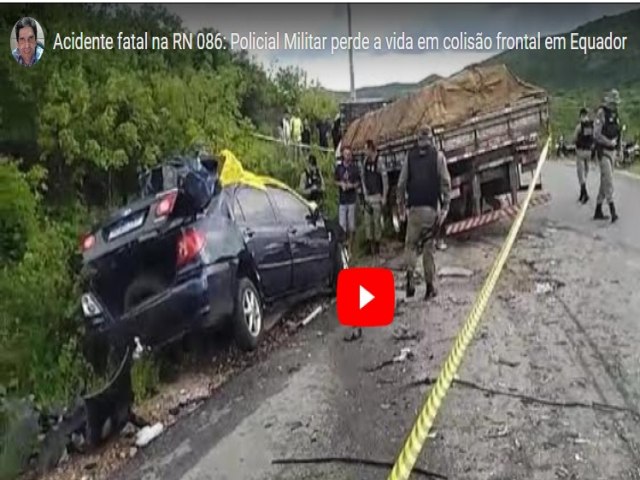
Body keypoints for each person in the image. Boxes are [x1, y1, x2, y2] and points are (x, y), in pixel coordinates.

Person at [397, 127, 451, 300]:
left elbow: (401, 184)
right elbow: (445, 183)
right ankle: (429, 288)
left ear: (417, 139)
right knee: (428, 248)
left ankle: (410, 277)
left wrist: (401, 206)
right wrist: (445, 208)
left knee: (411, 245)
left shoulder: (409, 157)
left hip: (414, 210)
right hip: (430, 209)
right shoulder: (438, 156)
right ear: (431, 138)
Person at [593, 89, 621, 222]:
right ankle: (612, 209)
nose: (615, 105)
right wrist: (609, 142)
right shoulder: (601, 113)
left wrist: (619, 149)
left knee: (604, 181)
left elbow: (618, 132)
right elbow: (596, 134)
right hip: (603, 151)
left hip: (613, 152)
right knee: (608, 180)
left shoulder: (615, 114)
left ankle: (598, 208)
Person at [360, 139, 388, 255]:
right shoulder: (365, 161)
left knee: (377, 222)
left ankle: (377, 244)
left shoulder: (379, 161)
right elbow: (363, 177)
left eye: (366, 149)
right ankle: (370, 243)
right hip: (369, 197)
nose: (364, 151)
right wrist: (365, 193)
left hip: (377, 196)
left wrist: (384, 195)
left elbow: (384, 179)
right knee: (368, 222)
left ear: (371, 149)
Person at [334, 145, 360, 256]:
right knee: (342, 226)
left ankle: (350, 248)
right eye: (345, 154)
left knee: (352, 226)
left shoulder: (354, 168)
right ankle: (343, 248)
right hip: (342, 200)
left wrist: (351, 186)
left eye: (349, 154)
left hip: (351, 200)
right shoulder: (339, 168)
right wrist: (341, 184)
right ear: (343, 155)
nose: (347, 156)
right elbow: (334, 181)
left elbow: (358, 182)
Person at [573, 107, 594, 204]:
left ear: (581, 115)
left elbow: (574, 138)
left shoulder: (579, 126)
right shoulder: (591, 126)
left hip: (580, 152)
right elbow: (593, 137)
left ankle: (584, 193)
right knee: (586, 171)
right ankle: (582, 194)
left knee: (580, 174)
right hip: (589, 152)